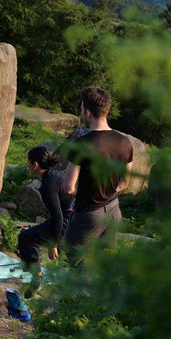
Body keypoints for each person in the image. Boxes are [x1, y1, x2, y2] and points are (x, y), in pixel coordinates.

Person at [63, 86, 133, 266]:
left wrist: (87, 192)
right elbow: (124, 182)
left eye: (81, 108)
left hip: (89, 214)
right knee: (101, 267)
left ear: (87, 112)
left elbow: (68, 187)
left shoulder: (81, 144)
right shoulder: (124, 141)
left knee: (73, 261)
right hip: (113, 211)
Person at [18, 146, 74, 284]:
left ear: (35, 164)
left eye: (28, 162)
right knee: (30, 233)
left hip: (69, 220)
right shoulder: (55, 175)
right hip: (77, 217)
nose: (27, 164)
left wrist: (53, 243)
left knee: (26, 237)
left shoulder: (47, 186)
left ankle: (36, 279)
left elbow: (58, 217)